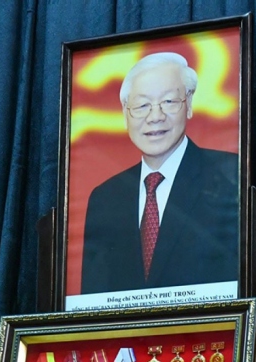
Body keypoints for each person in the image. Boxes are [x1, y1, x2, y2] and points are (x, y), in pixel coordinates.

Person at [81, 52, 239, 294]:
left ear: (189, 104)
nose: (155, 117)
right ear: (125, 113)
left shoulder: (231, 177)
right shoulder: (105, 198)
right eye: (143, 105)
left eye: (168, 102)